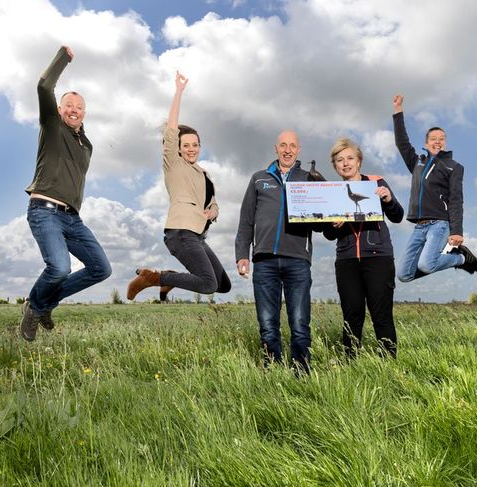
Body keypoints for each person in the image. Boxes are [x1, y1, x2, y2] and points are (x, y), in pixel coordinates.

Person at [21, 46, 112, 341]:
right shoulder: (51, 126)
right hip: (44, 210)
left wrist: (81, 131)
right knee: (59, 267)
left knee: (101, 268)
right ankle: (35, 307)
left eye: (79, 107)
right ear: (59, 110)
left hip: (73, 219)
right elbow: (44, 85)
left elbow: (80, 142)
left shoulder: (87, 145)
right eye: (69, 105)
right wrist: (64, 57)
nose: (74, 109)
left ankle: (46, 302)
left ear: (84, 114)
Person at [126, 72, 231, 302]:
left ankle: (170, 278)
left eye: (195, 145)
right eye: (187, 145)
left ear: (200, 146)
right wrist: (179, 92)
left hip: (198, 236)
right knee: (207, 284)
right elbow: (171, 132)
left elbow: (214, 204)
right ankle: (154, 277)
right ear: (179, 148)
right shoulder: (174, 165)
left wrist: (213, 212)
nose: (191, 149)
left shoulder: (205, 175)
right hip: (181, 233)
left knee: (223, 285)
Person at [234, 130, 320, 375]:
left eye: (292, 145)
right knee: (268, 323)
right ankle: (272, 370)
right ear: (276, 148)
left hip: (297, 260)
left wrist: (333, 217)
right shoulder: (259, 178)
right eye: (283, 145)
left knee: (300, 322)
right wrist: (242, 254)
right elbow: (245, 221)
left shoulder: (308, 179)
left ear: (299, 150)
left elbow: (320, 220)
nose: (288, 150)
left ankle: (301, 371)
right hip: (264, 261)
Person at [323, 138, 404, 358]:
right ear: (335, 166)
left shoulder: (377, 183)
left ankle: (388, 362)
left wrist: (388, 200)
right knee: (351, 315)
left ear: (359, 162)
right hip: (347, 260)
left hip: (378, 257)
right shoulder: (332, 192)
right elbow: (329, 234)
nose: (345, 163)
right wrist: (334, 225)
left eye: (350, 158)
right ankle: (351, 364)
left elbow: (397, 216)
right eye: (340, 160)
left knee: (382, 314)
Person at [391, 94, 477, 282]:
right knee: (403, 275)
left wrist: (456, 231)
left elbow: (456, 200)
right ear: (426, 143)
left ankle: (461, 258)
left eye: (441, 138)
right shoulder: (417, 163)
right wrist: (398, 111)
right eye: (433, 138)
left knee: (426, 264)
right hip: (419, 226)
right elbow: (401, 142)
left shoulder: (453, 167)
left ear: (445, 143)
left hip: (439, 224)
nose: (437, 141)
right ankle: (455, 257)